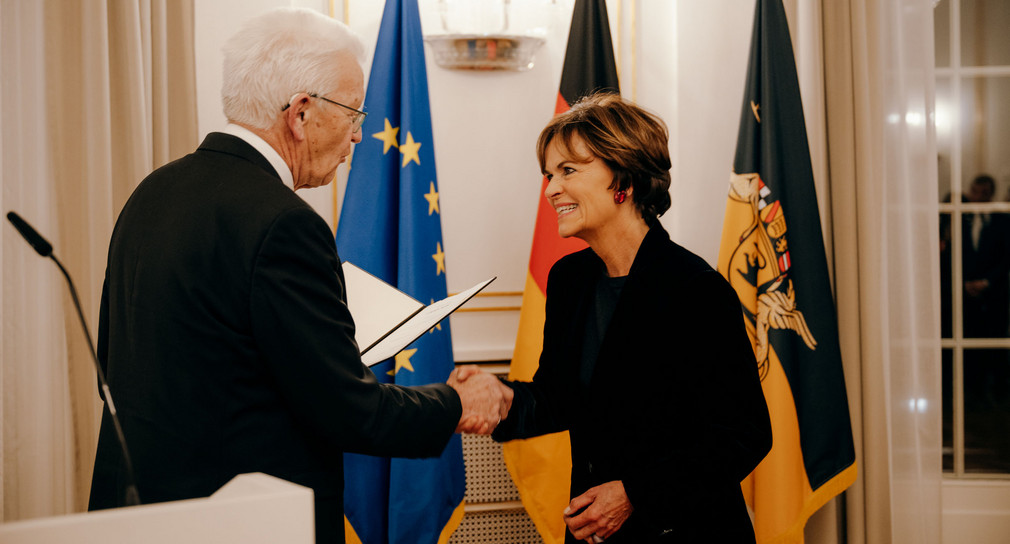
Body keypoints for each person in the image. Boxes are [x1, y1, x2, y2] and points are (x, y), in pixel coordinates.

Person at [88, 8, 510, 544]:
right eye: (355, 114)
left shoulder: (152, 192)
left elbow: (119, 358)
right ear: (302, 113)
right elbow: (346, 411)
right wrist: (455, 403)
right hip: (243, 521)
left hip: (140, 516)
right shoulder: (284, 223)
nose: (359, 137)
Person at [460, 93, 772, 543]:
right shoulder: (569, 279)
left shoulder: (694, 289)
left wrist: (635, 494)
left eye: (568, 170)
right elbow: (557, 398)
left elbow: (744, 434)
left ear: (622, 178)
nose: (550, 189)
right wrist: (499, 398)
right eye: (549, 175)